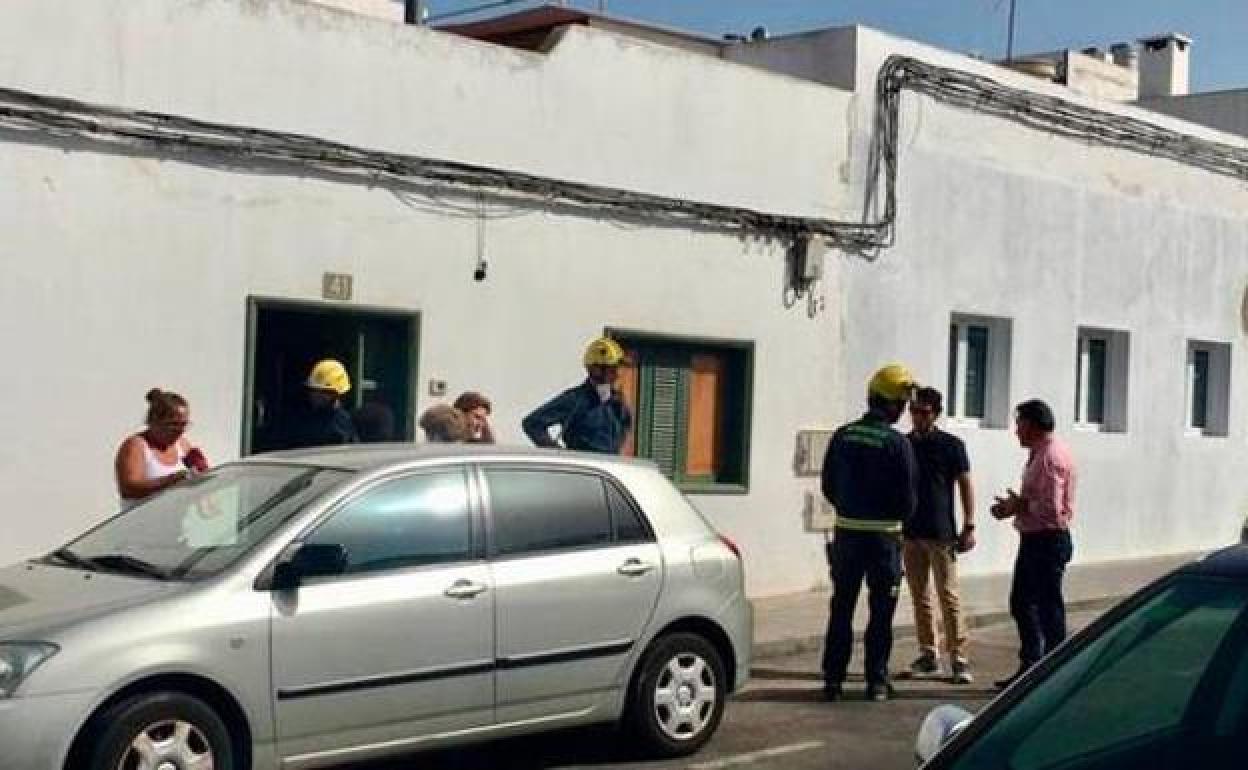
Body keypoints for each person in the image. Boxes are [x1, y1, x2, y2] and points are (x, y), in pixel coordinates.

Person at [821, 363, 919, 702]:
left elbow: (828, 487)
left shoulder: (842, 435)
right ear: (892, 403)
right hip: (883, 541)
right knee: (881, 613)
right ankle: (876, 681)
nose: (904, 409)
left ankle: (832, 679)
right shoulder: (897, 444)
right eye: (903, 403)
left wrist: (851, 510)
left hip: (846, 536)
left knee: (842, 607)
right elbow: (908, 500)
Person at [991, 398, 1076, 689]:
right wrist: (1017, 506)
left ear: (1033, 425)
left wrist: (1019, 505)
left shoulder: (1049, 458)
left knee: (1044, 606)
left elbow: (1050, 509)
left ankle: (1051, 668)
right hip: (1036, 538)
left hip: (1046, 539)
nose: (1016, 431)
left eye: (1020, 424)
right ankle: (1034, 665)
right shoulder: (1043, 453)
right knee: (1025, 602)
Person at [902, 387, 977, 685]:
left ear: (936, 413)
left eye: (924, 411)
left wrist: (969, 524)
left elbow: (965, 485)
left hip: (940, 531)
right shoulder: (904, 445)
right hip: (910, 530)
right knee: (920, 595)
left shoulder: (951, 445)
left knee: (948, 594)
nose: (918, 417)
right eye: (914, 411)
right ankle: (928, 653)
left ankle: (958, 656)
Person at [522, 336, 632, 454]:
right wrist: (559, 454)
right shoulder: (575, 399)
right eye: (612, 369)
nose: (617, 374)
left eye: (618, 368)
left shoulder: (617, 402)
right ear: (595, 369)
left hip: (608, 467)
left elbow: (624, 428)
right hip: (584, 468)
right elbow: (532, 423)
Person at [115, 388, 210, 505]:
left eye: (184, 425)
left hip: (174, 522)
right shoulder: (136, 445)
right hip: (141, 522)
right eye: (174, 424)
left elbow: (201, 474)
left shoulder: (182, 444)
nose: (180, 431)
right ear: (154, 421)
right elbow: (128, 489)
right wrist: (174, 479)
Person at [271, 359, 359, 450]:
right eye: (313, 390)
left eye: (322, 392)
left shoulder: (342, 424)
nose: (314, 395)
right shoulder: (298, 417)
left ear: (335, 393)